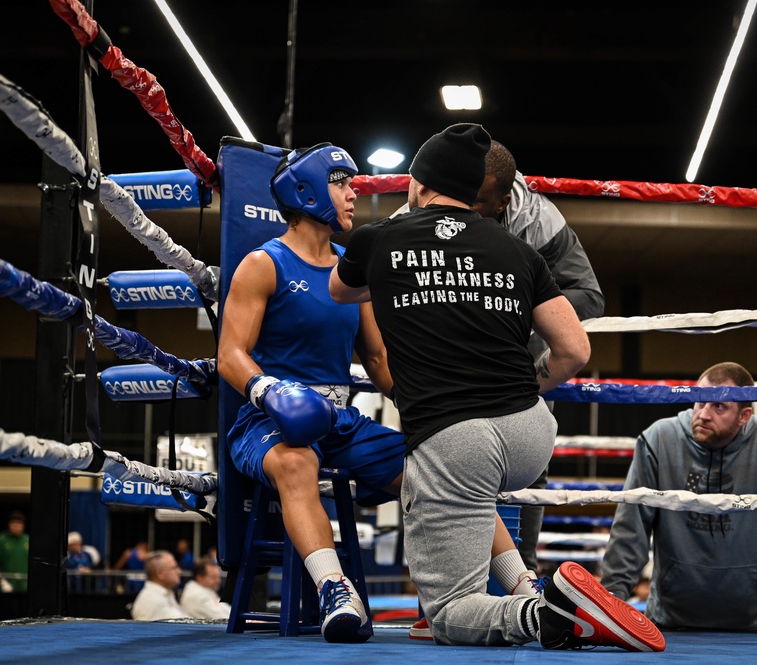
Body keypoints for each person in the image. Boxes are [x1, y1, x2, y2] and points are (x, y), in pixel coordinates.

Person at [329, 122, 664, 651]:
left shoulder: (381, 238)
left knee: (449, 615)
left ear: (416, 183)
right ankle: (528, 583)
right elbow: (576, 350)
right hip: (530, 430)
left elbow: (341, 293)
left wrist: (420, 290)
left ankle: (549, 612)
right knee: (475, 497)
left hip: (455, 437)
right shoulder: (518, 253)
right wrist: (520, 367)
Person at [218, 141, 542, 644]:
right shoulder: (264, 263)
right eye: (341, 183)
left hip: (340, 420)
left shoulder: (354, 264)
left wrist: (438, 408)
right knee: (296, 461)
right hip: (268, 421)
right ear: (304, 192)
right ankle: (335, 592)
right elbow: (230, 353)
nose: (353, 194)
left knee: (446, 468)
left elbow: (377, 359)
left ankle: (525, 587)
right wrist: (270, 391)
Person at [391, 139, 606, 576]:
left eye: (479, 201)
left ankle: (520, 577)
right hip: (441, 373)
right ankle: (440, 580)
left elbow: (589, 296)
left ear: (504, 200)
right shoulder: (414, 215)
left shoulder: (539, 222)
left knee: (526, 464)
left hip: (516, 370)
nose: (464, 209)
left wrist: (507, 307)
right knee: (435, 465)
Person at [599, 361, 757, 637]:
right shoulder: (659, 440)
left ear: (744, 415)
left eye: (718, 406)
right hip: (670, 625)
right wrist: (609, 602)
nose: (703, 414)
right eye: (699, 402)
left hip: (748, 627)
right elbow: (630, 530)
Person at [130, 550, 189, 621]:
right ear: (160, 574)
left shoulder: (164, 594)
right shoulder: (151, 601)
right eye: (174, 568)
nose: (179, 571)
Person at [0, 511, 28, 593]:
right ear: (9, 524)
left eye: (19, 524)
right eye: (14, 524)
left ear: (23, 526)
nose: (16, 526)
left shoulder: (28, 540)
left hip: (25, 586)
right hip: (7, 587)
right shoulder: (1, 540)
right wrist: (2, 581)